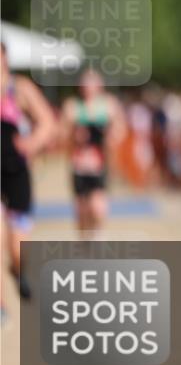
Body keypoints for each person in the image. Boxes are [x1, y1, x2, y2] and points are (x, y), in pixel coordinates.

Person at [1, 40, 56, 310]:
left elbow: (47, 121)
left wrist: (32, 143)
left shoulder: (19, 89)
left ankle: (18, 269)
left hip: (16, 173)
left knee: (16, 246)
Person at [60, 68, 126, 236]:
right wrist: (74, 136)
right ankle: (85, 241)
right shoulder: (72, 106)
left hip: (100, 164)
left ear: (100, 85)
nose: (88, 86)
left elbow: (121, 129)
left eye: (92, 82)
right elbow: (61, 134)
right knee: (82, 211)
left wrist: (111, 137)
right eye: (85, 83)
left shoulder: (109, 105)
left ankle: (97, 237)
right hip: (79, 165)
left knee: (98, 208)